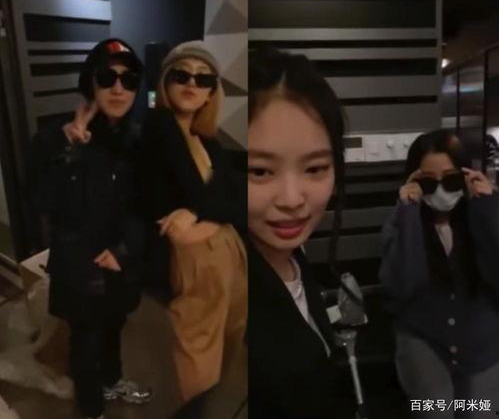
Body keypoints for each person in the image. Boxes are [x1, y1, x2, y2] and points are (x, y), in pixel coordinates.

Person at [30, 38, 151, 419]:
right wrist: (68, 150)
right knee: (85, 339)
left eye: (129, 80)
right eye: (107, 77)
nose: (118, 88)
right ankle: (91, 408)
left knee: (115, 325)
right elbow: (41, 201)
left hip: (119, 262)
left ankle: (112, 380)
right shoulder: (56, 137)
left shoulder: (137, 140)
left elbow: (145, 207)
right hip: (79, 265)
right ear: (90, 83)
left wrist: (124, 250)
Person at [247, 46, 354, 418]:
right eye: (260, 171)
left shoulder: (293, 258)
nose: (292, 200)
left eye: (315, 169)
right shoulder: (222, 287)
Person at [141, 40, 247, 411]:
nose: (191, 84)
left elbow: (236, 197)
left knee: (228, 335)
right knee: (196, 356)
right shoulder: (158, 129)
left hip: (226, 250)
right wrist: (207, 208)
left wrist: (200, 212)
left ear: (211, 92)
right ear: (165, 81)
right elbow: (176, 197)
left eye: (203, 79)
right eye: (181, 75)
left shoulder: (205, 138)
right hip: (193, 258)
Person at [379, 129, 499, 418]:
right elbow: (403, 284)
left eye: (451, 179)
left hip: (481, 342)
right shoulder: (402, 221)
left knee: (480, 412)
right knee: (435, 411)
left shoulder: (484, 212)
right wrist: (408, 210)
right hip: (424, 339)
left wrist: (487, 206)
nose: (442, 190)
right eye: (429, 182)